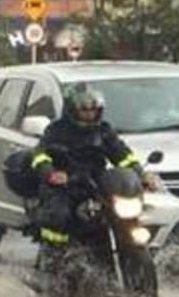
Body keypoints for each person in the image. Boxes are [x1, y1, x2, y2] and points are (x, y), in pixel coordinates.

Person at [30, 83, 157, 249]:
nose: (90, 113)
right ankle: (55, 253)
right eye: (84, 109)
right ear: (72, 109)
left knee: (121, 211)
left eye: (94, 109)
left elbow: (122, 154)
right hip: (66, 183)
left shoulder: (103, 130)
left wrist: (141, 174)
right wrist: (51, 173)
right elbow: (40, 154)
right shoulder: (57, 130)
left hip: (97, 183)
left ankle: (126, 247)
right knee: (59, 214)